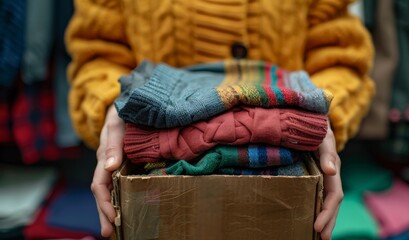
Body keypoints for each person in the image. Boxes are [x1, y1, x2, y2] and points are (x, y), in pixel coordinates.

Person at [65, 0, 374, 239]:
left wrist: (318, 111)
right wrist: (115, 102)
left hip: (287, 189)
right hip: (153, 189)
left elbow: (339, 52)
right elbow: (98, 50)